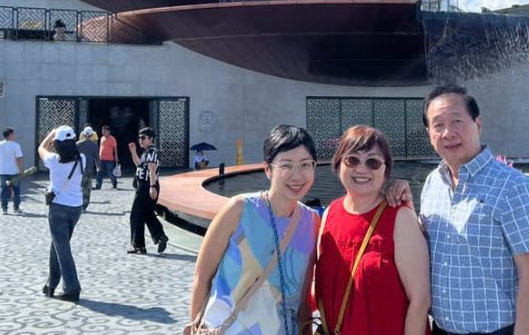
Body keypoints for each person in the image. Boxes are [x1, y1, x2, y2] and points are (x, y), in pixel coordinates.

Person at [420, 86, 529, 335]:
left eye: (456, 121)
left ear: (477, 124)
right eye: (438, 125)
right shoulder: (432, 184)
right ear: (429, 133)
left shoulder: (512, 186)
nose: (448, 133)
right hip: (442, 329)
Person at [186, 125, 320, 335]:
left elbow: (303, 300)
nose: (297, 175)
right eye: (286, 165)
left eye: (305, 165)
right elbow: (202, 277)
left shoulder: (311, 222)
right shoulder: (239, 210)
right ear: (268, 169)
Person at [315, 125, 431, 335]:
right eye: (352, 159)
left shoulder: (399, 217)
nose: (361, 169)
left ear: (385, 171)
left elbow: (420, 301)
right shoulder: (330, 214)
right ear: (338, 163)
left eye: (373, 162)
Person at [37, 125, 86, 302]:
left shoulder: (53, 160)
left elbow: (40, 148)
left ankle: (72, 288)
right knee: (58, 245)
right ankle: (51, 284)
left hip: (58, 207)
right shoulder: (82, 159)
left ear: (56, 144)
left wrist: (51, 133)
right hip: (76, 207)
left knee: (62, 248)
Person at [126, 127, 168, 254]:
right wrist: (133, 151)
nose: (141, 140)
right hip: (145, 185)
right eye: (139, 138)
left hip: (146, 186)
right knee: (147, 213)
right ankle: (160, 236)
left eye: (143, 138)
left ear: (151, 139)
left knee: (136, 215)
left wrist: (152, 186)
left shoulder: (151, 151)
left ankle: (139, 245)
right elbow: (139, 164)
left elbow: (152, 169)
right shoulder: (146, 152)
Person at [0, 127, 23, 214]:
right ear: (10, 134)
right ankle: (16, 208)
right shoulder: (16, 145)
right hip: (14, 171)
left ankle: (4, 209)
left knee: (3, 190)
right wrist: (21, 170)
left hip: (2, 171)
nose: (14, 135)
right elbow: (18, 159)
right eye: (13, 134)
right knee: (16, 190)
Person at [77, 126, 100, 211]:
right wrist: (98, 166)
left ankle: (77, 203)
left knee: (79, 186)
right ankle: (84, 205)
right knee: (87, 187)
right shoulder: (94, 145)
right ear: (91, 135)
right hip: (89, 169)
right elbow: (96, 157)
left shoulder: (78, 144)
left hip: (79, 169)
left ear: (83, 134)